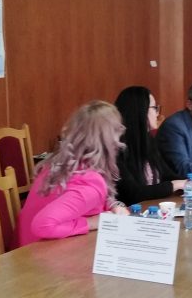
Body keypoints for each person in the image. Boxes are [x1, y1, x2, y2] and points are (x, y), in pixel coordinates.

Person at [17, 101, 129, 245]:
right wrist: (93, 222)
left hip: (25, 246)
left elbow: (83, 200)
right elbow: (42, 225)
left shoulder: (60, 163)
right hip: (39, 252)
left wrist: (113, 205)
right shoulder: (91, 184)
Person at [114, 85, 192, 205]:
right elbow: (133, 194)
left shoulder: (148, 140)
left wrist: (190, 182)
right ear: (140, 111)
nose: (157, 114)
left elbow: (166, 174)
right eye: (154, 108)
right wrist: (175, 185)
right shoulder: (117, 148)